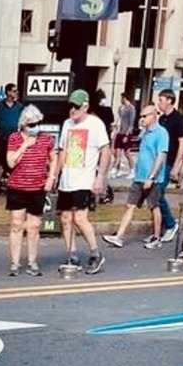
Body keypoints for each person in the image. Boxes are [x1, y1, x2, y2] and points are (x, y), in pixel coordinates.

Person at [49, 89, 109, 275]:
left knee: (80, 218)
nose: (72, 110)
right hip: (67, 179)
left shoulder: (95, 124)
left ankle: (95, 253)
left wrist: (100, 178)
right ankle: (72, 253)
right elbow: (62, 151)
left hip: (84, 179)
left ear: (85, 106)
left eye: (76, 107)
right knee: (65, 219)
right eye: (70, 106)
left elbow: (105, 151)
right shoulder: (67, 124)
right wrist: (54, 176)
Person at [102, 102, 169, 249]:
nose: (142, 119)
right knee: (130, 205)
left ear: (154, 116)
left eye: (145, 116)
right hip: (139, 176)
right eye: (141, 116)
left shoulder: (161, 133)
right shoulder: (144, 133)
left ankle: (157, 237)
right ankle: (119, 236)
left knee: (154, 207)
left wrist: (151, 177)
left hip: (153, 178)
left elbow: (160, 156)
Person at [4, 104, 55, 276]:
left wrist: (51, 178)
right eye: (32, 125)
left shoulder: (46, 138)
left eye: (38, 123)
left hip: (37, 187)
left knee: (34, 226)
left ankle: (32, 262)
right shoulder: (14, 138)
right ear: (24, 125)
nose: (36, 128)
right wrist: (25, 145)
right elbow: (10, 162)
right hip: (17, 187)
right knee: (16, 225)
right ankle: (15, 263)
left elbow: (53, 158)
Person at [154, 90, 183, 245]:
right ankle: (159, 228)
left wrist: (176, 166)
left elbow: (182, 143)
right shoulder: (162, 118)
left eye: (161, 99)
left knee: (158, 192)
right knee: (153, 193)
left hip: (169, 160)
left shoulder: (177, 119)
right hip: (159, 160)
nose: (159, 102)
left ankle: (171, 223)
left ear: (170, 100)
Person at [0, 83, 23, 187]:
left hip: (14, 139)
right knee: (0, 162)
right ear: (8, 92)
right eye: (14, 91)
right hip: (1, 138)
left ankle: (12, 182)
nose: (16, 93)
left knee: (13, 161)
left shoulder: (19, 107)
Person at [111, 93, 136, 175]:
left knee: (127, 152)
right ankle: (116, 169)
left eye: (122, 98)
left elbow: (131, 123)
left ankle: (132, 170)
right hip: (120, 131)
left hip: (126, 132)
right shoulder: (121, 108)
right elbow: (119, 118)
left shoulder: (131, 108)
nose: (120, 100)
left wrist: (127, 134)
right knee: (117, 152)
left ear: (125, 98)